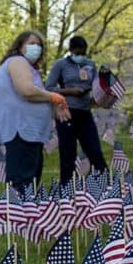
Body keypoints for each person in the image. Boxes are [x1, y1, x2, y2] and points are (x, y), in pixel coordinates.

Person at [0, 31, 68, 192]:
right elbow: (27, 91)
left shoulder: (28, 68)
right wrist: (54, 97)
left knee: (30, 182)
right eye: (32, 43)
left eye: (39, 45)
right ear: (20, 46)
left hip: (30, 133)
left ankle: (26, 215)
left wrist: (52, 102)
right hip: (21, 131)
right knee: (22, 184)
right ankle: (18, 216)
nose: (36, 48)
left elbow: (35, 95)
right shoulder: (17, 61)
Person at [44, 36, 110, 182]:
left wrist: (103, 94)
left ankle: (104, 185)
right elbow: (48, 88)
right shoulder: (60, 65)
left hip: (85, 113)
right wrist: (70, 91)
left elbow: (95, 86)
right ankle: (67, 190)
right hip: (66, 112)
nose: (81, 56)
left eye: (83, 53)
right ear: (71, 50)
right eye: (78, 53)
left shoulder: (90, 65)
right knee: (68, 154)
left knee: (94, 151)